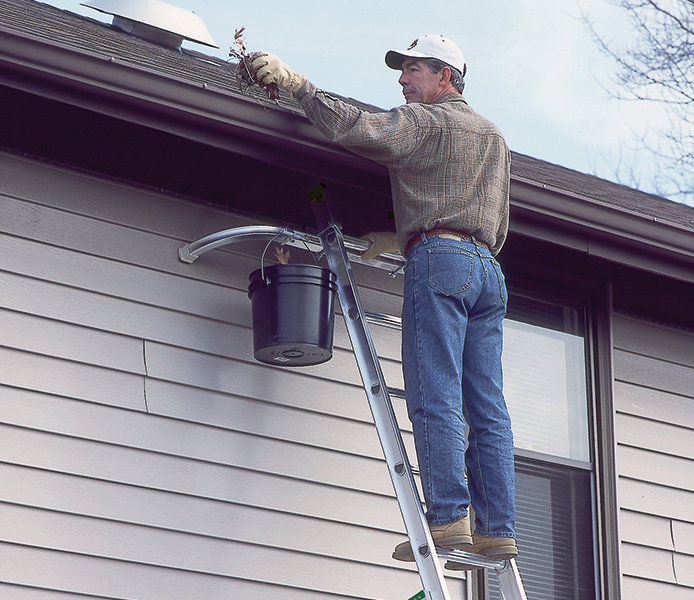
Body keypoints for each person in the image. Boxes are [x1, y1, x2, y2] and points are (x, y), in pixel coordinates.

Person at [251, 34, 517, 568]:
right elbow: (479, 214)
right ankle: (497, 530)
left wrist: (297, 85)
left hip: (440, 261)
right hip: (489, 270)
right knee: (486, 405)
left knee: (434, 389)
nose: (401, 80)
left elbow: (359, 128)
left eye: (413, 69)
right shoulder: (493, 136)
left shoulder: (425, 121)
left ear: (445, 76)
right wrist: (400, 237)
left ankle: (447, 519)